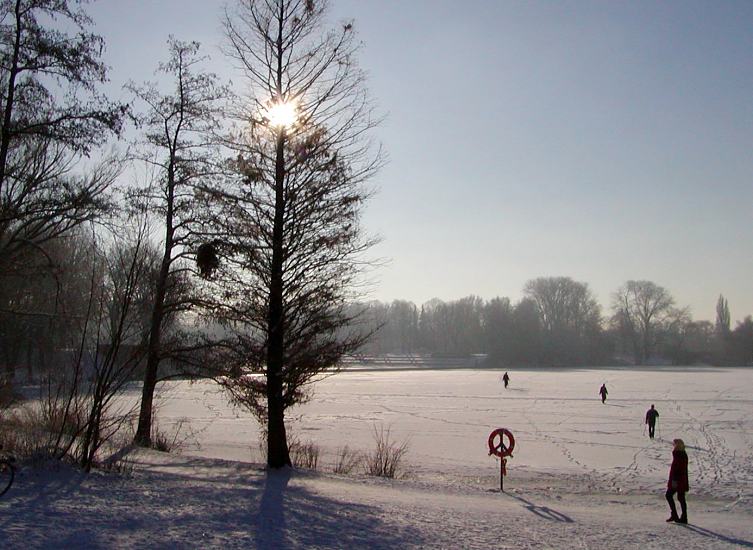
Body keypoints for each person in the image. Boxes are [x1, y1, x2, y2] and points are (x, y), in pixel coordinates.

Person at [665, 438, 689, 524]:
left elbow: (677, 469)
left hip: (677, 480)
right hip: (682, 480)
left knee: (669, 495)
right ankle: (683, 516)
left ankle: (675, 514)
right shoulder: (683, 454)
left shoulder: (678, 455)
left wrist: (674, 481)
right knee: (681, 498)